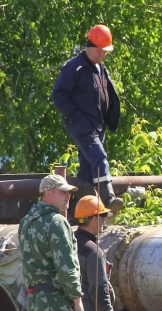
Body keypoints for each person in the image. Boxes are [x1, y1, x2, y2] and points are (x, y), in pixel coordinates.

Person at [51, 24, 124, 212]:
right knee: (99, 158)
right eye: (100, 51)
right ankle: (108, 198)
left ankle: (82, 213)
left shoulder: (100, 67)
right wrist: (76, 117)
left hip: (98, 125)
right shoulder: (74, 67)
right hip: (82, 125)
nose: (103, 55)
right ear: (89, 46)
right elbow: (59, 94)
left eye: (105, 51)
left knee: (87, 171)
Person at [18, 175, 85, 311]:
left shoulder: (25, 222)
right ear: (48, 192)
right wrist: (76, 299)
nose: (68, 195)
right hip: (58, 304)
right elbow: (66, 265)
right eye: (63, 191)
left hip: (35, 302)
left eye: (69, 192)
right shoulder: (56, 221)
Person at [73, 195, 117, 311]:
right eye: (103, 216)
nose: (104, 221)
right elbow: (98, 290)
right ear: (93, 219)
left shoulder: (68, 244)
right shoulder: (93, 252)